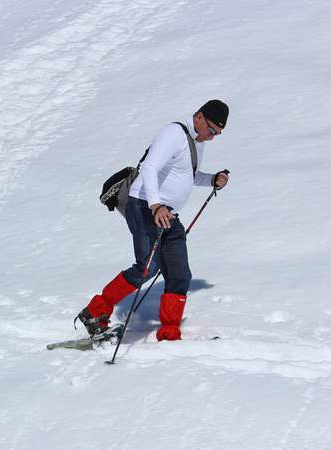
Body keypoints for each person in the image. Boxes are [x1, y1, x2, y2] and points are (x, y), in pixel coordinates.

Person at [77, 100, 230, 341]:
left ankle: (169, 333)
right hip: (144, 207)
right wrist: (155, 204)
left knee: (179, 274)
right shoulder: (174, 133)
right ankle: (95, 312)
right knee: (147, 267)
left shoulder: (196, 142)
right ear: (199, 117)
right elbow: (150, 168)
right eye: (211, 130)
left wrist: (212, 179)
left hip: (168, 214)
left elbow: (186, 176)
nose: (212, 137)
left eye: (217, 134)